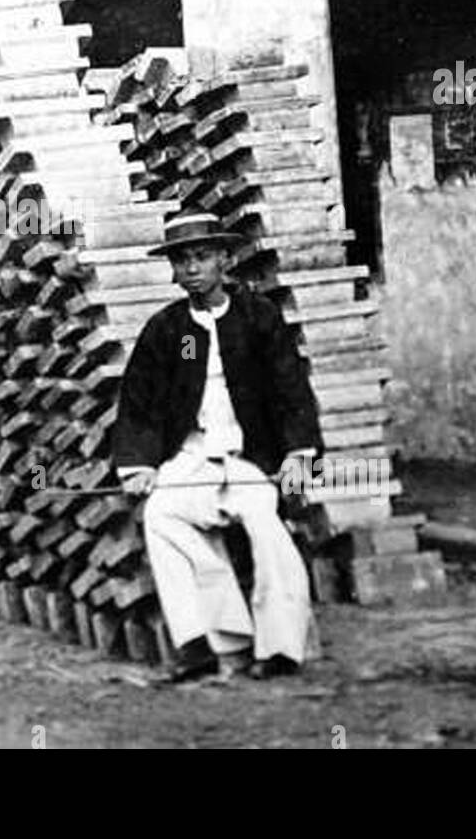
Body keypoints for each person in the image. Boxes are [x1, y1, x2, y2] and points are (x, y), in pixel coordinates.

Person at [112, 212, 322, 682]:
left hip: (252, 459)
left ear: (226, 260)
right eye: (182, 260)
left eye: (202, 257)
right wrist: (139, 464)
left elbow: (292, 393)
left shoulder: (259, 320)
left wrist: (297, 455)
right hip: (192, 457)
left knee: (266, 525)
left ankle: (281, 646)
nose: (191, 268)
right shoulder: (166, 330)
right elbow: (139, 406)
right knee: (163, 516)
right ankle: (207, 639)